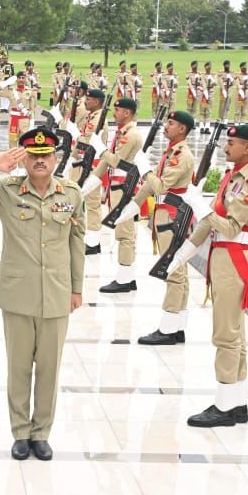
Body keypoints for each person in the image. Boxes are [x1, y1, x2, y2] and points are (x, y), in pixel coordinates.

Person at [0, 128, 85, 461]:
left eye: (46, 155)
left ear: (56, 158)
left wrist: (76, 287)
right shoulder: (6, 191)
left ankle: (41, 432)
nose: (40, 161)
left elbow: (77, 243)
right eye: (33, 155)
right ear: (24, 159)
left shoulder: (71, 194)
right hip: (17, 294)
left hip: (56, 293)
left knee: (49, 369)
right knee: (19, 368)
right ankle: (20, 432)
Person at [166, 124, 248, 427]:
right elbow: (211, 223)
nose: (226, 147)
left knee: (226, 335)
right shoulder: (234, 176)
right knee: (234, 336)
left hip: (234, 261)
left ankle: (224, 407)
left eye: (232, 143)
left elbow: (230, 227)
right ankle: (236, 402)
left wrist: (199, 206)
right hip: (224, 259)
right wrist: (182, 254)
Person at [113, 111, 196, 344]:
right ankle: (177, 326)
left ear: (182, 129)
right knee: (179, 273)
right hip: (167, 216)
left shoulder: (181, 156)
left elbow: (159, 187)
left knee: (173, 272)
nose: (165, 127)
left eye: (171, 123)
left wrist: (144, 168)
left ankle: (168, 330)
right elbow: (151, 188)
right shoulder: (173, 151)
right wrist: (132, 206)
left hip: (171, 217)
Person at [83, 98, 145, 292]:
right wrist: (88, 184)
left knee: (125, 235)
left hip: (125, 189)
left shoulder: (131, 135)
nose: (114, 113)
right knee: (123, 233)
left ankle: (125, 280)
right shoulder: (122, 133)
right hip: (118, 189)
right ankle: (127, 277)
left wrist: (99, 149)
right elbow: (107, 163)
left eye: (117, 110)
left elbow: (116, 161)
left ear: (127, 113)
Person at [72, 87, 109, 254]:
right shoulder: (92, 116)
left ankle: (93, 243)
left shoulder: (98, 118)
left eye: (88, 99)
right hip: (84, 162)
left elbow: (85, 140)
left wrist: (76, 137)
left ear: (96, 102)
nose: (85, 101)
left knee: (92, 204)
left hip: (92, 164)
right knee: (80, 200)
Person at [0, 71, 35, 145]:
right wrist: (5, 83)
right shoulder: (11, 91)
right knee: (12, 142)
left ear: (25, 79)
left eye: (23, 78)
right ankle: (13, 157)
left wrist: (32, 122)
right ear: (16, 79)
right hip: (14, 119)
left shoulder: (30, 92)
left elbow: (32, 109)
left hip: (25, 119)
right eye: (19, 78)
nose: (21, 80)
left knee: (24, 142)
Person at [200, 61, 216, 134]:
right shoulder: (202, 75)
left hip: (211, 93)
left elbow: (215, 83)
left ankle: (207, 127)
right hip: (203, 94)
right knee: (202, 111)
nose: (208, 68)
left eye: (209, 66)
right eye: (207, 67)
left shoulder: (213, 75)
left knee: (208, 111)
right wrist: (205, 90)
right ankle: (201, 127)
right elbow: (203, 83)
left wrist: (212, 80)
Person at [186, 61, 203, 127]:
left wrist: (201, 88)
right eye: (194, 66)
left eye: (196, 66)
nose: (195, 67)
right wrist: (192, 89)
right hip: (190, 92)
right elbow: (188, 82)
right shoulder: (189, 73)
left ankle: (193, 122)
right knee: (189, 107)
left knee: (195, 107)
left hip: (198, 91)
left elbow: (202, 82)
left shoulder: (199, 74)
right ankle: (188, 121)